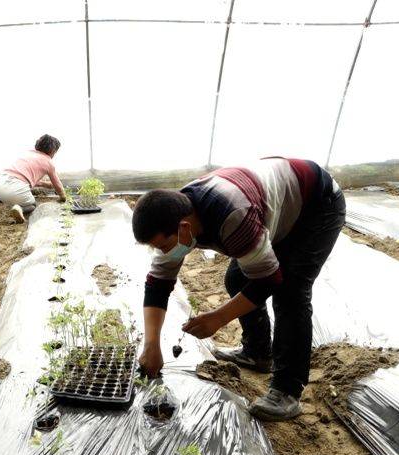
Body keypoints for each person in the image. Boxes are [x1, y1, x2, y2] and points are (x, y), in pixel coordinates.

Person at [131, 157, 346, 421]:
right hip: (271, 207)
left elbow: (269, 279)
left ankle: (288, 390)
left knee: (290, 292)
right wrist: (151, 345)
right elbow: (158, 284)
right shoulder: (176, 217)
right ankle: (258, 352)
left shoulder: (233, 217)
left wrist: (218, 318)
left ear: (184, 227)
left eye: (162, 246)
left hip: (316, 205)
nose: (162, 253)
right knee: (237, 280)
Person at [0, 134, 67, 223]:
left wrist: (45, 184)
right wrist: (63, 197)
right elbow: (57, 184)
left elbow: (24, 178)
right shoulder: (48, 162)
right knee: (33, 205)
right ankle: (20, 208)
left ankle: (16, 204)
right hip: (14, 191)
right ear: (52, 151)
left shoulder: (28, 153)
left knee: (17, 194)